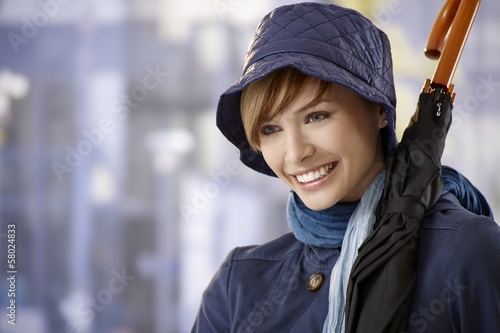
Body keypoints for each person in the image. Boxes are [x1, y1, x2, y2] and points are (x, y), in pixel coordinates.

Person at [191, 2, 500, 332]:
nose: (295, 153)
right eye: (271, 129)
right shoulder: (238, 283)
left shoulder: (465, 252)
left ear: (379, 111)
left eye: (317, 116)